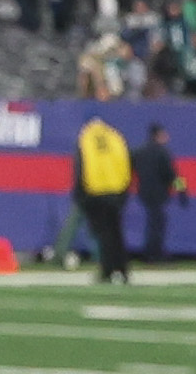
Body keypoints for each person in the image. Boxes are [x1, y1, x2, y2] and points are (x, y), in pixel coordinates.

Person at [75, 114, 135, 283]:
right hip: (116, 191)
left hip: (95, 191)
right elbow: (125, 163)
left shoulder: (86, 137)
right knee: (116, 233)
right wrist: (123, 190)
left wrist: (80, 193)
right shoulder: (115, 136)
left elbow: (81, 166)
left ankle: (107, 270)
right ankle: (122, 270)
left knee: (103, 234)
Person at [135, 118, 183, 273]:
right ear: (158, 135)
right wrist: (182, 192)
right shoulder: (163, 153)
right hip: (159, 193)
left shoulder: (139, 152)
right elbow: (173, 175)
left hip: (144, 193)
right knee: (158, 224)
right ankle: (155, 253)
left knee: (152, 222)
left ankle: (149, 252)